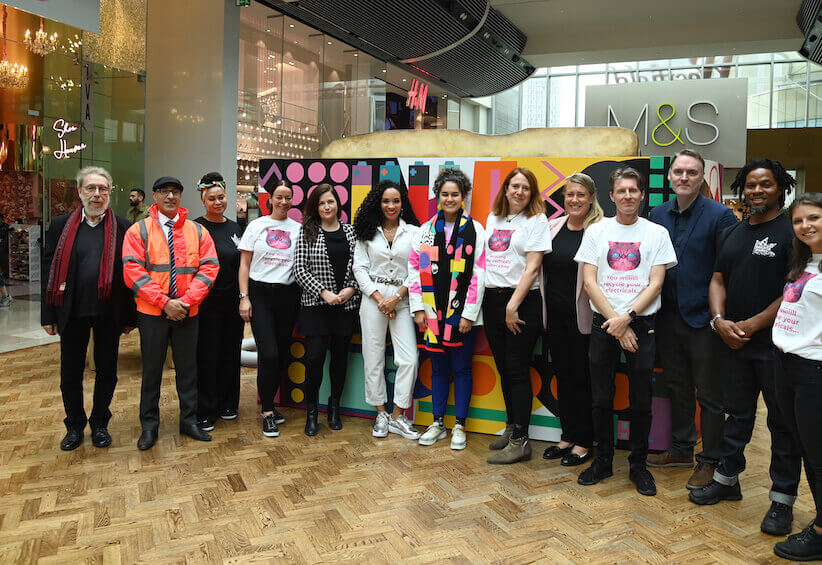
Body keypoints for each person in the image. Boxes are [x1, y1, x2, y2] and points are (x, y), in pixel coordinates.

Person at [690, 159, 802, 537]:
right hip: (732, 341)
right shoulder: (734, 231)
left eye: (765, 184)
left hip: (776, 345)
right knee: (736, 415)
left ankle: (782, 501)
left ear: (781, 187)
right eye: (751, 185)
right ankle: (726, 480)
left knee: (782, 423)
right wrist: (719, 320)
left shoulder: (793, 232)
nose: (757, 191)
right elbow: (717, 277)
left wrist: (753, 324)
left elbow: (794, 289)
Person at [574, 167, 677, 496]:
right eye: (622, 190)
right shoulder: (596, 231)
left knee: (641, 400)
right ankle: (602, 460)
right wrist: (616, 324)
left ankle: (638, 466)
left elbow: (657, 283)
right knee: (600, 397)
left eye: (634, 190)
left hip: (641, 324)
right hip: (604, 322)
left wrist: (627, 318)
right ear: (612, 195)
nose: (628, 196)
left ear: (642, 194)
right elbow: (589, 282)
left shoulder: (657, 233)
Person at [647, 150, 738, 489]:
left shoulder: (721, 216)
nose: (684, 177)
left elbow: (726, 272)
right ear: (670, 177)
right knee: (677, 386)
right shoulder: (657, 215)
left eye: (692, 172)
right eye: (679, 172)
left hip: (704, 320)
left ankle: (710, 459)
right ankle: (682, 449)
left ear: (702, 178)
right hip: (667, 317)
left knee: (710, 396)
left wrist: (719, 317)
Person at [41, 166, 135, 450]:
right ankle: (73, 426)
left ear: (109, 192)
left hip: (109, 312)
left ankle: (100, 424)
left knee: (107, 371)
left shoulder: (122, 226)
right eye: (91, 189)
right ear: (80, 192)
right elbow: (48, 269)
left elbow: (131, 273)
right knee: (70, 373)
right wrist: (48, 314)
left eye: (102, 189)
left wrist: (130, 316)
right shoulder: (60, 225)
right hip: (71, 311)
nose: (97, 195)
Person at [122, 176, 219, 450]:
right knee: (151, 371)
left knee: (188, 371)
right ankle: (149, 427)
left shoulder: (197, 231)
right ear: (154, 196)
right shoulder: (138, 231)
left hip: (188, 310)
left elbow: (210, 268)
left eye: (175, 192)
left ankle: (189, 422)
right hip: (152, 312)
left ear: (181, 196)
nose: (170, 196)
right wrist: (165, 303)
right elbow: (132, 271)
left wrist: (185, 302)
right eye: (164, 191)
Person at [409, 169, 487, 449]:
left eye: (455, 194)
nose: (450, 198)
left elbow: (479, 273)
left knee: (462, 369)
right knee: (439, 370)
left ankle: (460, 426)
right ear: (438, 197)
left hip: (461, 317)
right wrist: (418, 308)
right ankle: (438, 422)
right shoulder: (426, 230)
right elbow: (415, 269)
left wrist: (468, 314)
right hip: (431, 314)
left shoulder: (475, 230)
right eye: (445, 194)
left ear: (463, 196)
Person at [483, 167, 551, 464]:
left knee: (517, 369)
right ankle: (512, 428)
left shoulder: (537, 221)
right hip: (492, 299)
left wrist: (513, 305)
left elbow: (533, 268)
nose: (519, 192)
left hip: (522, 302)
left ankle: (522, 440)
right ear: (506, 189)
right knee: (502, 366)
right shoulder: (493, 217)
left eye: (525, 187)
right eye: (514, 186)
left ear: (531, 192)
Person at [770, 193, 822, 561]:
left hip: (814, 370)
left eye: (815, 218)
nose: (806, 226)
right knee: (806, 449)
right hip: (787, 364)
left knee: (818, 455)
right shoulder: (806, 262)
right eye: (799, 221)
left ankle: (820, 533)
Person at [541, 173, 603, 466]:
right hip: (554, 317)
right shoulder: (552, 226)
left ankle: (584, 440)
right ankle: (567, 435)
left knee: (584, 381)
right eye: (569, 195)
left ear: (591, 198)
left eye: (580, 194)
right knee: (563, 378)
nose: (574, 200)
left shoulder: (601, 229)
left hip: (586, 319)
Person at [353, 180, 422, 440]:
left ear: (402, 203)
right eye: (386, 201)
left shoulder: (414, 232)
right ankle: (380, 413)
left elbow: (417, 269)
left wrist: (396, 298)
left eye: (396, 201)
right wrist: (380, 298)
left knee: (409, 359)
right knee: (373, 356)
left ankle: (397, 416)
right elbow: (359, 268)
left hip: (403, 300)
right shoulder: (366, 232)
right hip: (373, 300)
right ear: (378, 204)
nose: (391, 205)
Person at [294, 183, 360, 436]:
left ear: (337, 204)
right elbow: (299, 270)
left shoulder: (351, 232)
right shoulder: (307, 232)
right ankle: (312, 412)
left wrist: (351, 289)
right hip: (316, 307)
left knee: (340, 359)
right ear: (315, 207)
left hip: (346, 306)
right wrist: (324, 292)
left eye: (330, 201)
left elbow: (360, 266)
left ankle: (335, 408)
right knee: (314, 358)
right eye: (321, 203)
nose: (327, 206)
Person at [238, 179, 301, 438]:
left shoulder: (298, 228)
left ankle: (271, 406)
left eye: (288, 197)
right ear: (270, 199)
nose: (283, 201)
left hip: (288, 296)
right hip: (260, 295)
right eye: (279, 196)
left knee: (282, 354)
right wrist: (244, 297)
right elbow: (244, 264)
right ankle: (266, 411)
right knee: (270, 355)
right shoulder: (256, 225)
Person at [194, 172, 244, 430]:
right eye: (211, 198)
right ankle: (206, 408)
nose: (217, 202)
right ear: (204, 200)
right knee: (207, 355)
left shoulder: (236, 228)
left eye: (221, 197)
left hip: (232, 303)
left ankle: (229, 403)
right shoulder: (194, 228)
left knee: (230, 353)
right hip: (205, 304)